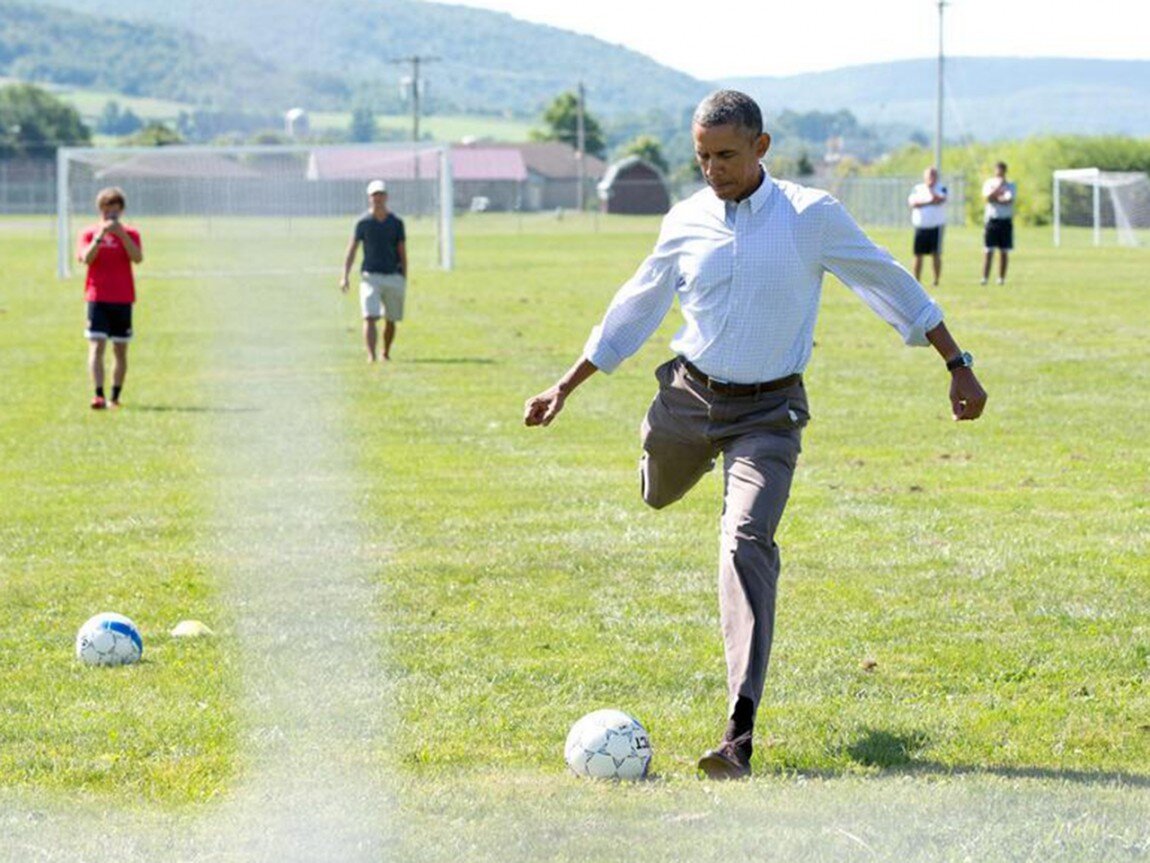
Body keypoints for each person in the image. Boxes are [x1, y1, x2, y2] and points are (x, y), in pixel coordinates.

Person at [523, 90, 987, 780]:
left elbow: (886, 279)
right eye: (703, 157)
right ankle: (678, 457)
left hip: (769, 415)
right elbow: (635, 304)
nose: (714, 169)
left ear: (762, 147)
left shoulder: (810, 217)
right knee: (656, 494)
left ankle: (738, 731)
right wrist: (565, 384)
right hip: (687, 398)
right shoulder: (684, 220)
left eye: (727, 155)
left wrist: (957, 362)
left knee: (745, 541)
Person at [77, 186, 143, 410]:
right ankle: (98, 394)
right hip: (97, 297)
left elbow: (137, 258)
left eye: (114, 213)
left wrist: (121, 234)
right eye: (106, 213)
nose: (110, 217)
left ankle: (115, 396)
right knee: (96, 346)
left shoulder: (131, 234)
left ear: (121, 212)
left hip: (123, 298)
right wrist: (101, 236)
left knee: (120, 350)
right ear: (100, 211)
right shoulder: (89, 233)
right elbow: (86, 259)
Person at [340, 180, 407, 362]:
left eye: (380, 194)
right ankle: (371, 355)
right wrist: (345, 276)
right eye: (374, 195)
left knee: (391, 318)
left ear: (386, 197)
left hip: (393, 275)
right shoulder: (363, 223)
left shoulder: (396, 223)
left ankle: (386, 352)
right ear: (369, 198)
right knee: (369, 316)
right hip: (370, 276)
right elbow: (352, 249)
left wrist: (404, 277)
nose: (378, 198)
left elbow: (402, 251)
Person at [907, 166, 947, 286]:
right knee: (918, 254)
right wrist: (929, 202)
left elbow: (940, 199)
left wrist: (931, 191)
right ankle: (916, 280)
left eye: (933, 175)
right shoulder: (917, 189)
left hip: (936, 226)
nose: (931, 178)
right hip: (921, 226)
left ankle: (936, 280)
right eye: (929, 175)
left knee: (936, 254)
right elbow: (913, 203)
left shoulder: (941, 188)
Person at [981, 162, 1016, 285]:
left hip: (1005, 220)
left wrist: (997, 198)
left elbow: (1008, 200)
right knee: (988, 250)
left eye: (1002, 171)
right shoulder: (989, 183)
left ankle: (1001, 278)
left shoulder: (1011, 185)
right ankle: (984, 278)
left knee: (1004, 251)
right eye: (998, 171)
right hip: (992, 220)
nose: (1000, 173)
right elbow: (988, 198)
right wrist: (997, 189)